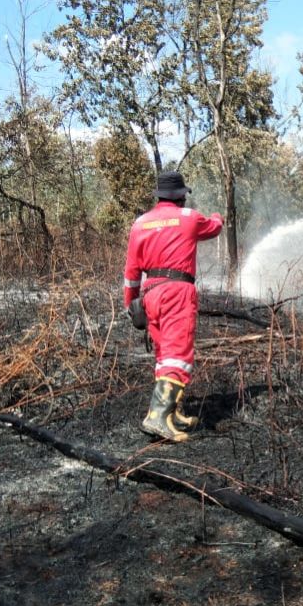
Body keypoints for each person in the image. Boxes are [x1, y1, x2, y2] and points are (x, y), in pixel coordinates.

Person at [123, 171, 223, 442]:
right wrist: (218, 216)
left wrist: (131, 305)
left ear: (159, 196)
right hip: (177, 293)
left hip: (150, 294)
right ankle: (157, 417)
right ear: (181, 196)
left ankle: (172, 414)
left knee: (164, 355)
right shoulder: (190, 217)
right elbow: (214, 228)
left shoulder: (140, 223)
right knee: (178, 356)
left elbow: (131, 273)